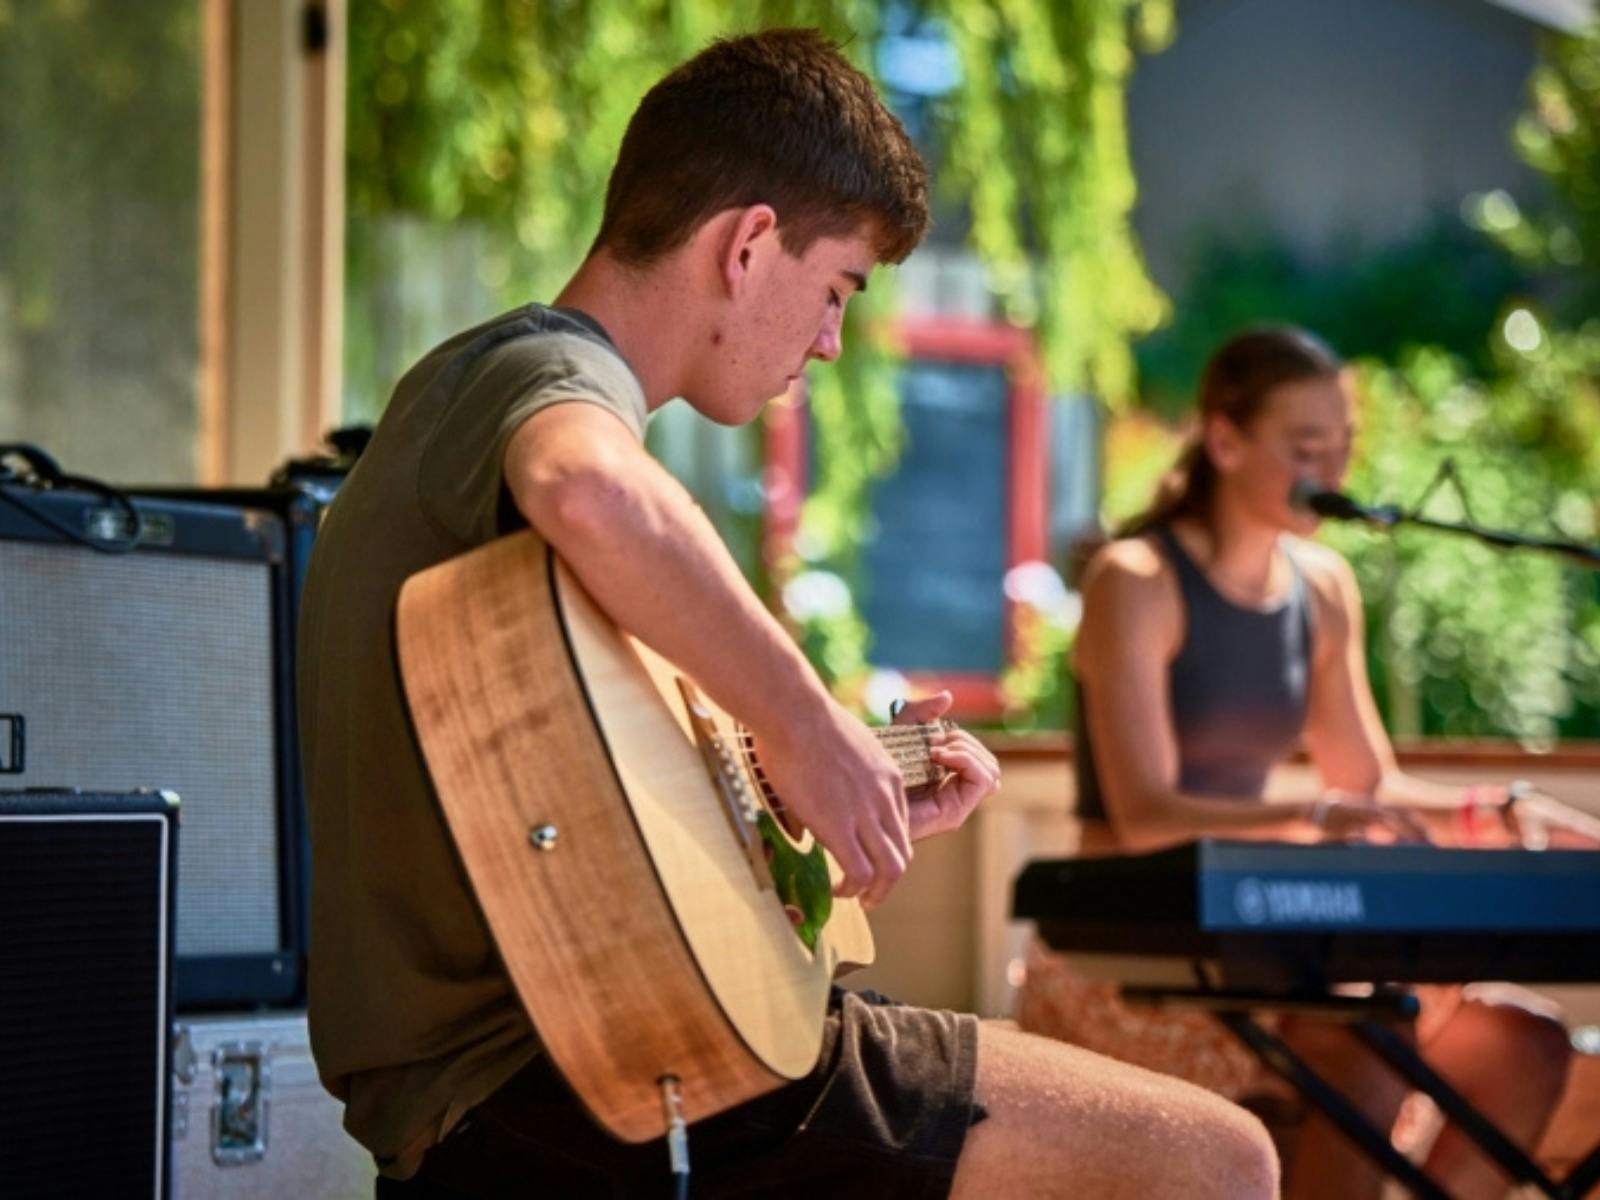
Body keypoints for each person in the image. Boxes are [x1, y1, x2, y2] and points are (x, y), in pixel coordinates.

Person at [297, 28, 1278, 1200]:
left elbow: (577, 817)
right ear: (750, 243)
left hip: (540, 1081)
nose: (830, 340)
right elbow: (588, 488)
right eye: (838, 288)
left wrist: (814, 780)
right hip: (575, 1082)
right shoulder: (538, 375)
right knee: (1217, 1161)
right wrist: (808, 726)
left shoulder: (483, 434)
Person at [1055, 325, 1579, 1200]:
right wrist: (1317, 817)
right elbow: (1147, 812)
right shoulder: (1136, 580)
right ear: (1223, 440)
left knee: (1527, 1046)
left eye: (1343, 448)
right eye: (1307, 449)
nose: (1333, 475)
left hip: (1281, 945)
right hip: (1134, 958)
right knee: (1359, 1051)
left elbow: (1365, 787)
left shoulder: (1324, 587)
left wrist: (1502, 810)